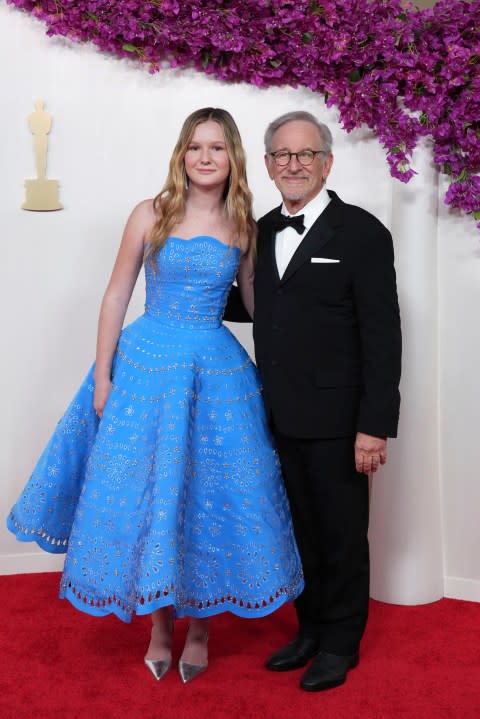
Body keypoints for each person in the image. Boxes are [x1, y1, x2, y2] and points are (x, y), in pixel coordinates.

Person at [7, 108, 304, 684]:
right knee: (150, 494)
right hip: (144, 366)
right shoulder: (150, 212)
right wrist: (101, 375)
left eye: (217, 147)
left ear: (233, 156)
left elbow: (259, 308)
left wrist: (291, 368)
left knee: (205, 498)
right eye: (195, 147)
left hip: (212, 373)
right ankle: (159, 625)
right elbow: (117, 293)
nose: (205, 157)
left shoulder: (244, 223)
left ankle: (200, 629)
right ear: (182, 154)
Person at [225, 111, 401, 691]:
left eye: (305, 155)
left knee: (341, 535)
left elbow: (383, 335)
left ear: (327, 162)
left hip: (339, 421)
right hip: (275, 416)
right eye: (282, 155)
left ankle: (341, 644)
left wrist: (374, 426)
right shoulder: (259, 230)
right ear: (269, 165)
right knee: (298, 532)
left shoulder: (363, 233)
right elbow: (248, 308)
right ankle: (309, 632)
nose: (293, 165)